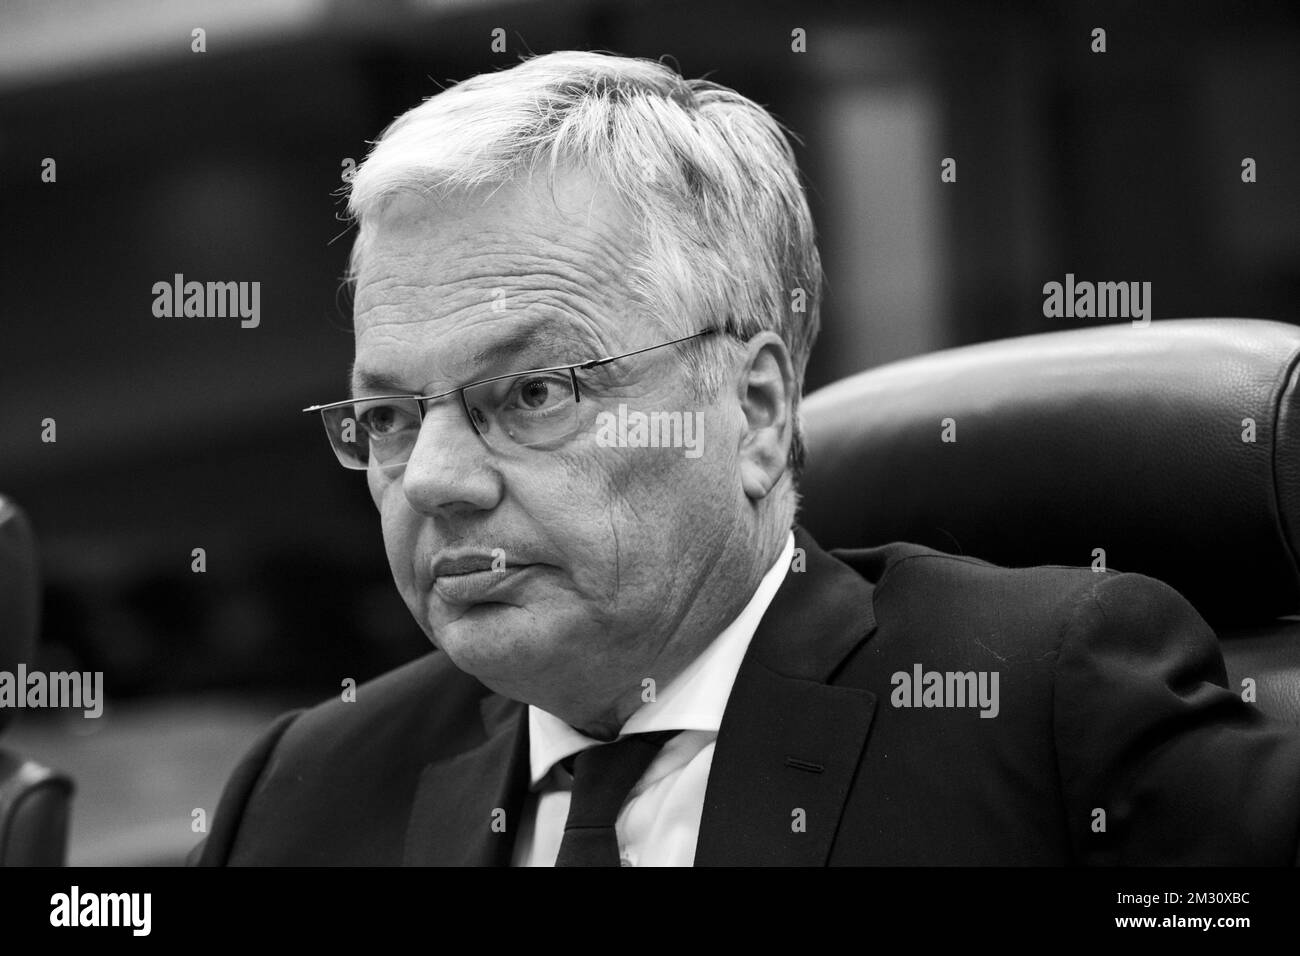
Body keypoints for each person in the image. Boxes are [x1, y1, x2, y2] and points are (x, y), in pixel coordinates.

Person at [191, 50, 1300, 866]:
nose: (432, 476)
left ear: (756, 408)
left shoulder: (1045, 705)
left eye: (530, 393)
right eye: (388, 414)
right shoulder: (299, 796)